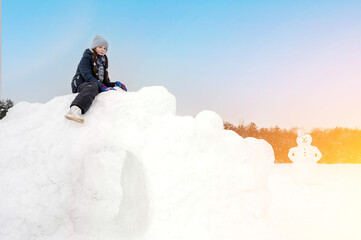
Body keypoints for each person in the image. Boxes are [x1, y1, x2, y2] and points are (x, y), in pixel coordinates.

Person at [65, 35, 127, 123]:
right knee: (93, 85)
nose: (103, 50)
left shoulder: (102, 63)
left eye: (105, 48)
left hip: (92, 85)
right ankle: (74, 110)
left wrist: (116, 84)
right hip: (81, 84)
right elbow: (87, 76)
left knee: (95, 85)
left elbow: (104, 82)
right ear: (94, 47)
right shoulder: (87, 57)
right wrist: (102, 86)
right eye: (100, 47)